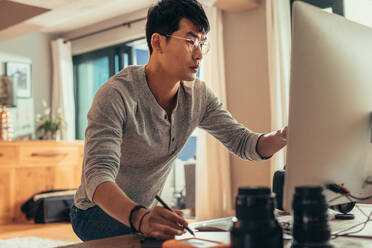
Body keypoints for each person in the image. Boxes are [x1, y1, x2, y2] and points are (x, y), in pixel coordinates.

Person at [70, 0, 287, 242]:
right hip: (94, 212)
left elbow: (244, 143)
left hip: (144, 210)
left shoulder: (199, 95)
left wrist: (284, 135)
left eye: (203, 44)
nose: (198, 54)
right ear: (157, 42)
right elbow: (97, 175)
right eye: (190, 41)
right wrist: (141, 218)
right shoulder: (116, 94)